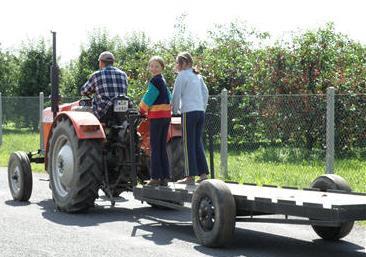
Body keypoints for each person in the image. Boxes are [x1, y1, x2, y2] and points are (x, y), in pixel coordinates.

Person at [172, 52, 209, 185]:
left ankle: (189, 176)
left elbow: (176, 95)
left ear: (185, 63)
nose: (177, 65)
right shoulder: (197, 76)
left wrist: (174, 111)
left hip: (188, 112)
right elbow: (206, 93)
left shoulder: (181, 76)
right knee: (197, 142)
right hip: (200, 112)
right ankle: (203, 174)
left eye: (178, 62)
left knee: (188, 144)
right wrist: (202, 108)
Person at [139, 56, 172, 186]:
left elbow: (149, 96)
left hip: (157, 117)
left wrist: (141, 109)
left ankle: (155, 177)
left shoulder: (154, 81)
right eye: (151, 66)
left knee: (155, 147)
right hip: (166, 116)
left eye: (156, 66)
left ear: (162, 68)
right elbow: (169, 96)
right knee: (162, 147)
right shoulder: (163, 81)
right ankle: (165, 177)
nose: (153, 68)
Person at [80, 51, 128, 122]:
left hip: (102, 113)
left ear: (101, 62)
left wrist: (94, 91)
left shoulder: (97, 75)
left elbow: (83, 91)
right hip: (122, 113)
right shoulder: (123, 74)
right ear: (113, 62)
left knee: (75, 110)